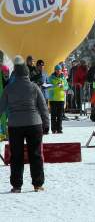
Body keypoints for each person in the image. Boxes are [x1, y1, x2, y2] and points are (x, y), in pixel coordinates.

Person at [0, 56, 49, 193]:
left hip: (15, 125)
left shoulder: (9, 88)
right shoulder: (34, 87)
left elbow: (1, 107)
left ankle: (16, 185)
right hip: (34, 124)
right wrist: (46, 124)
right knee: (36, 154)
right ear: (27, 73)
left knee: (16, 156)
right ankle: (38, 184)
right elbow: (43, 107)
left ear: (15, 73)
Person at [48, 65, 69, 134]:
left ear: (61, 71)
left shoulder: (63, 78)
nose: (58, 71)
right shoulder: (51, 78)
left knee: (60, 115)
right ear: (55, 70)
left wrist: (63, 87)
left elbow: (66, 86)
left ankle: (59, 128)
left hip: (61, 99)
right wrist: (57, 86)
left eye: (59, 70)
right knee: (53, 115)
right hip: (53, 99)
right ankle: (53, 129)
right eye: (57, 70)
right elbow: (49, 87)